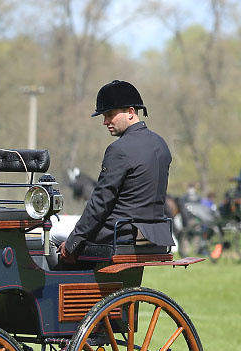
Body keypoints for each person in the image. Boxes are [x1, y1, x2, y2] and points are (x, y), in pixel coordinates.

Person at [59, 80, 175, 264]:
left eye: (110, 115)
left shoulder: (119, 150)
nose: (105, 122)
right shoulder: (161, 144)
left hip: (120, 234)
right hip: (156, 235)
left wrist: (72, 243)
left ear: (130, 112)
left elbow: (100, 203)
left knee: (54, 242)